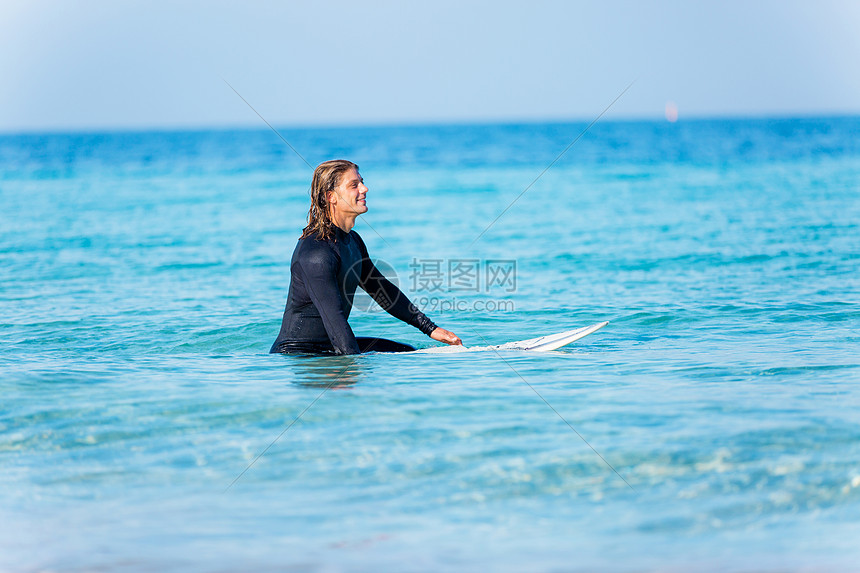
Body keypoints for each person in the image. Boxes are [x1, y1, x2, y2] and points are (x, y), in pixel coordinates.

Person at [270, 159, 462, 355]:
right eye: (354, 185)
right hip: (299, 355)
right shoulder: (317, 253)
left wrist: (430, 328)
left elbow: (381, 290)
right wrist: (351, 370)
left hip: (329, 346)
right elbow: (334, 320)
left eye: (361, 182)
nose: (365, 188)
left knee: (405, 351)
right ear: (331, 197)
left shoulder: (352, 241)